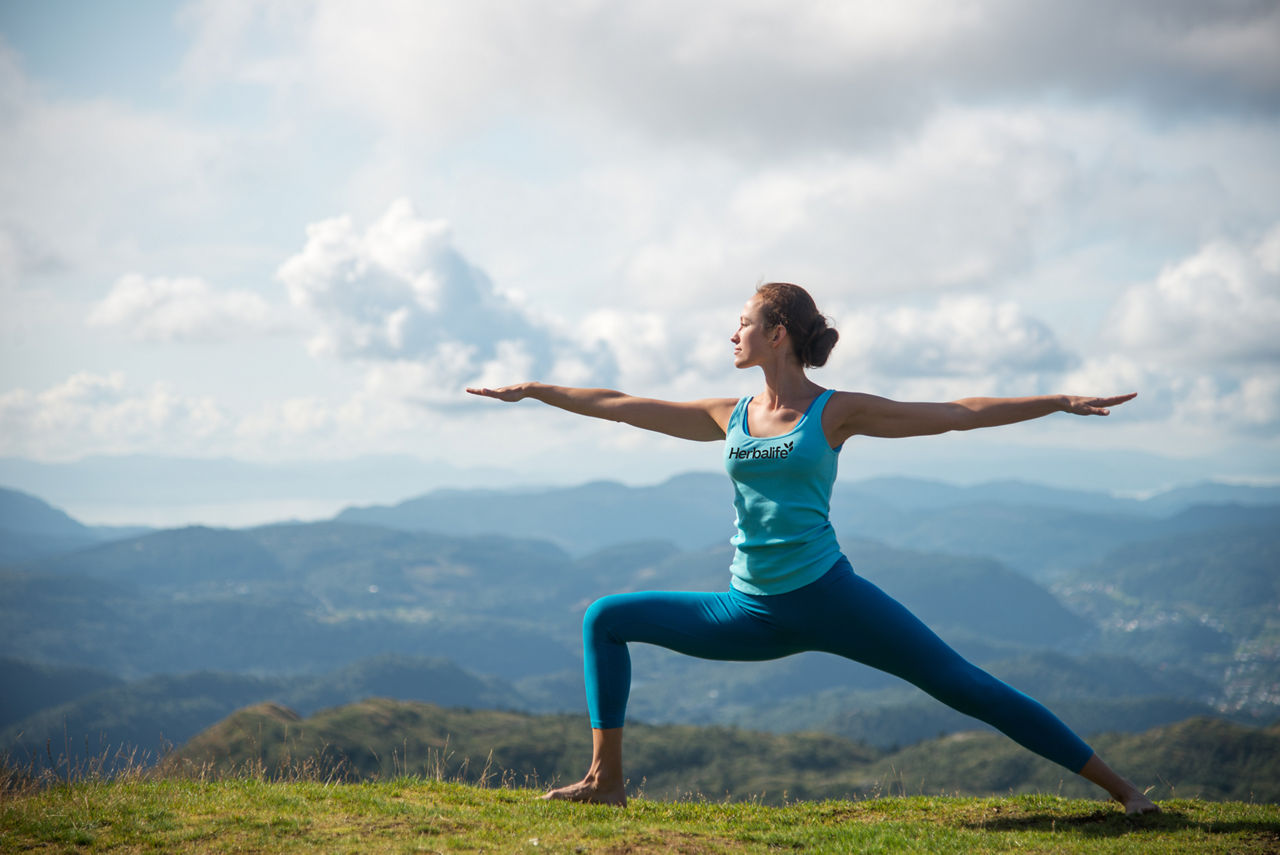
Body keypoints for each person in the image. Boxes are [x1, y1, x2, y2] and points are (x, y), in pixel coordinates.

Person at [466, 282, 1158, 814]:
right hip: (748, 609)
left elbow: (955, 414)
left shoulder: (837, 411)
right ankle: (605, 781)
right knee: (604, 617)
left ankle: (1124, 790)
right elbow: (618, 402)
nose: (730, 332)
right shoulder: (727, 414)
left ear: (777, 333)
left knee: (965, 685)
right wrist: (531, 391)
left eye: (742, 321)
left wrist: (1058, 399)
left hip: (832, 598)